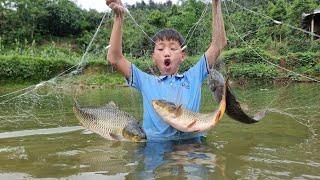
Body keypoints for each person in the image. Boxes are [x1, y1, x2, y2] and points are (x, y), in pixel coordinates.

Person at [106, 0, 227, 141]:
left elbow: (219, 43)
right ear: (153, 57)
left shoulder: (194, 75)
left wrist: (216, 4)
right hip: (154, 150)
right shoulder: (144, 80)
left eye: (173, 48)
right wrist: (119, 17)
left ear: (182, 56)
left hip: (193, 149)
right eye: (161, 48)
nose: (167, 53)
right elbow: (114, 58)